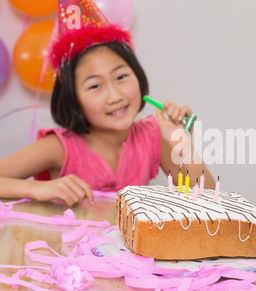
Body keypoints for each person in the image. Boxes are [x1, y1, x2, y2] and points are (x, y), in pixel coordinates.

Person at [0, 0, 214, 207]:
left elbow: (210, 204)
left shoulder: (153, 137)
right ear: (73, 98)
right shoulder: (59, 148)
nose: (115, 96)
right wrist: (35, 189)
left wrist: (182, 146)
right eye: (95, 86)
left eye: (121, 77)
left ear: (137, 75)